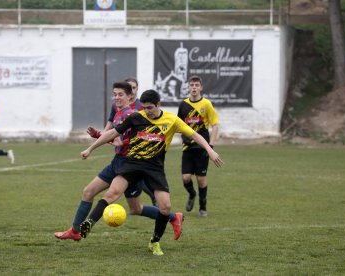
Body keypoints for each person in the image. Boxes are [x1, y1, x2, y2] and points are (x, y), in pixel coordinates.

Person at [78, 89, 224, 256]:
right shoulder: (136, 117)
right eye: (144, 108)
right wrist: (90, 148)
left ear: (158, 105)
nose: (146, 111)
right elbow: (112, 133)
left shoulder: (171, 120)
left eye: (149, 108)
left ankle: (154, 242)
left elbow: (195, 135)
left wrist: (210, 150)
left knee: (165, 207)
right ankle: (88, 223)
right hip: (132, 163)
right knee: (113, 192)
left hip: (154, 168)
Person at [54, 82, 183, 242]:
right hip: (117, 162)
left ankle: (171, 217)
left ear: (130, 96)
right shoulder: (118, 112)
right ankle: (75, 230)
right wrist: (99, 137)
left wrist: (120, 142)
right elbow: (115, 135)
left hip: (130, 164)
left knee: (133, 207)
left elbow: (137, 138)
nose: (116, 97)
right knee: (89, 192)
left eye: (120, 94)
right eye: (114, 94)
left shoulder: (132, 115)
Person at [92, 77, 157, 207]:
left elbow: (145, 133)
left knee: (118, 194)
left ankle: (156, 196)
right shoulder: (117, 108)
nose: (131, 90)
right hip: (120, 157)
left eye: (133, 88)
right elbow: (112, 128)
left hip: (135, 157)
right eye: (115, 94)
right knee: (135, 208)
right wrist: (100, 135)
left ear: (135, 90)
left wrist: (124, 142)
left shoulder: (141, 107)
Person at [177, 75, 219, 217]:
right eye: (191, 85)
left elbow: (215, 125)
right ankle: (192, 194)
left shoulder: (206, 104)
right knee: (186, 178)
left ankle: (203, 206)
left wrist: (210, 145)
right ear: (188, 87)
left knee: (201, 179)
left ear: (201, 87)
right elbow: (178, 125)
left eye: (196, 85)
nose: (194, 88)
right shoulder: (183, 105)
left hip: (202, 148)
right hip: (187, 148)